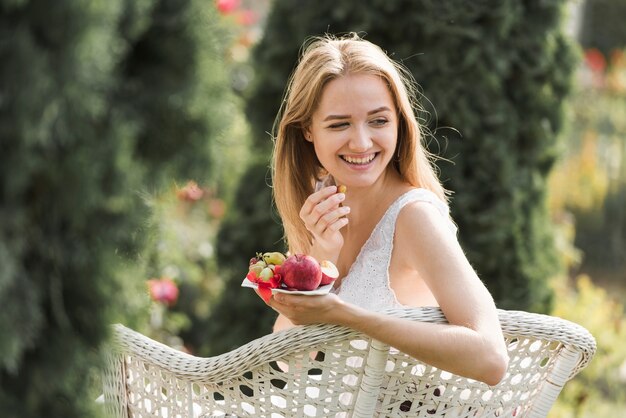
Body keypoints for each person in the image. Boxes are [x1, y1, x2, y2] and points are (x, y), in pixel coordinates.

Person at [263, 33, 508, 386]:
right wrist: (320, 261)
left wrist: (348, 315)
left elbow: (491, 357)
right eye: (339, 124)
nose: (362, 142)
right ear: (307, 130)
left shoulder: (414, 216)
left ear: (399, 122)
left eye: (378, 121)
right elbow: (289, 366)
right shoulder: (324, 206)